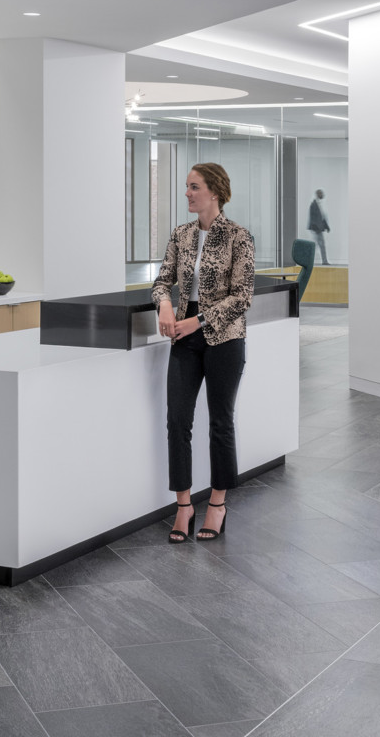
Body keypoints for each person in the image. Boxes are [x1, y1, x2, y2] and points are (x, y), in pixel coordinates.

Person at [151, 163, 255, 544]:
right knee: (177, 420)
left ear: (215, 191)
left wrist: (197, 322)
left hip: (224, 338)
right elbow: (163, 280)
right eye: (186, 187)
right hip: (183, 336)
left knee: (220, 422)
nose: (187, 194)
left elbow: (243, 296)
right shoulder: (181, 235)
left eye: (193, 187)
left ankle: (217, 503)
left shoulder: (238, 236)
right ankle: (183, 506)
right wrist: (164, 305)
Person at [308, 189, 331, 265]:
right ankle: (323, 261)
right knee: (318, 246)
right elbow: (312, 218)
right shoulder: (313, 205)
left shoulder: (320, 204)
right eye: (321, 193)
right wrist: (316, 228)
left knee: (318, 246)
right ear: (318, 194)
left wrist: (327, 227)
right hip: (316, 229)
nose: (323, 195)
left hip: (319, 229)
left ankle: (323, 261)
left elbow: (322, 218)